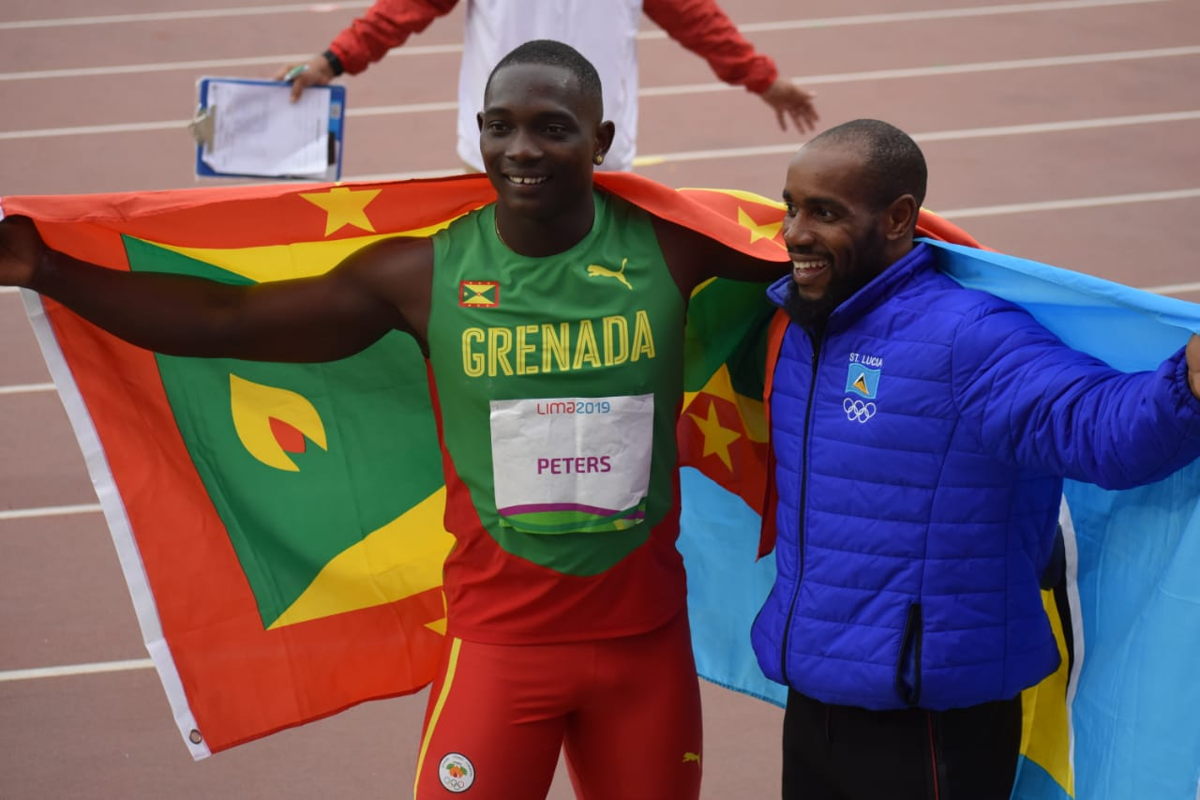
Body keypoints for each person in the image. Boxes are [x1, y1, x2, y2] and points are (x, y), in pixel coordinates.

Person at [0, 40, 788, 800]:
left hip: (643, 650)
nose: (522, 149)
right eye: (500, 126)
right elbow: (225, 319)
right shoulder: (424, 274)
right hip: (499, 649)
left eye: (553, 128)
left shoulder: (675, 250)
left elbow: (825, 259)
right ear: (478, 133)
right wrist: (47, 269)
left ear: (601, 140)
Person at [752, 118, 1200, 800]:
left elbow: (1098, 427)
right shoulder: (802, 326)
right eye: (791, 207)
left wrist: (1189, 381)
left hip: (932, 720)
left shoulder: (967, 336)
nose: (794, 233)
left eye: (825, 212)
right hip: (816, 703)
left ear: (900, 217)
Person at [274, 0, 818, 171]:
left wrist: (763, 80)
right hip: (499, 140)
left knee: (596, 264)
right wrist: (333, 59)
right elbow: (402, 11)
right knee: (499, 265)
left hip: (596, 144)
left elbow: (698, 21)